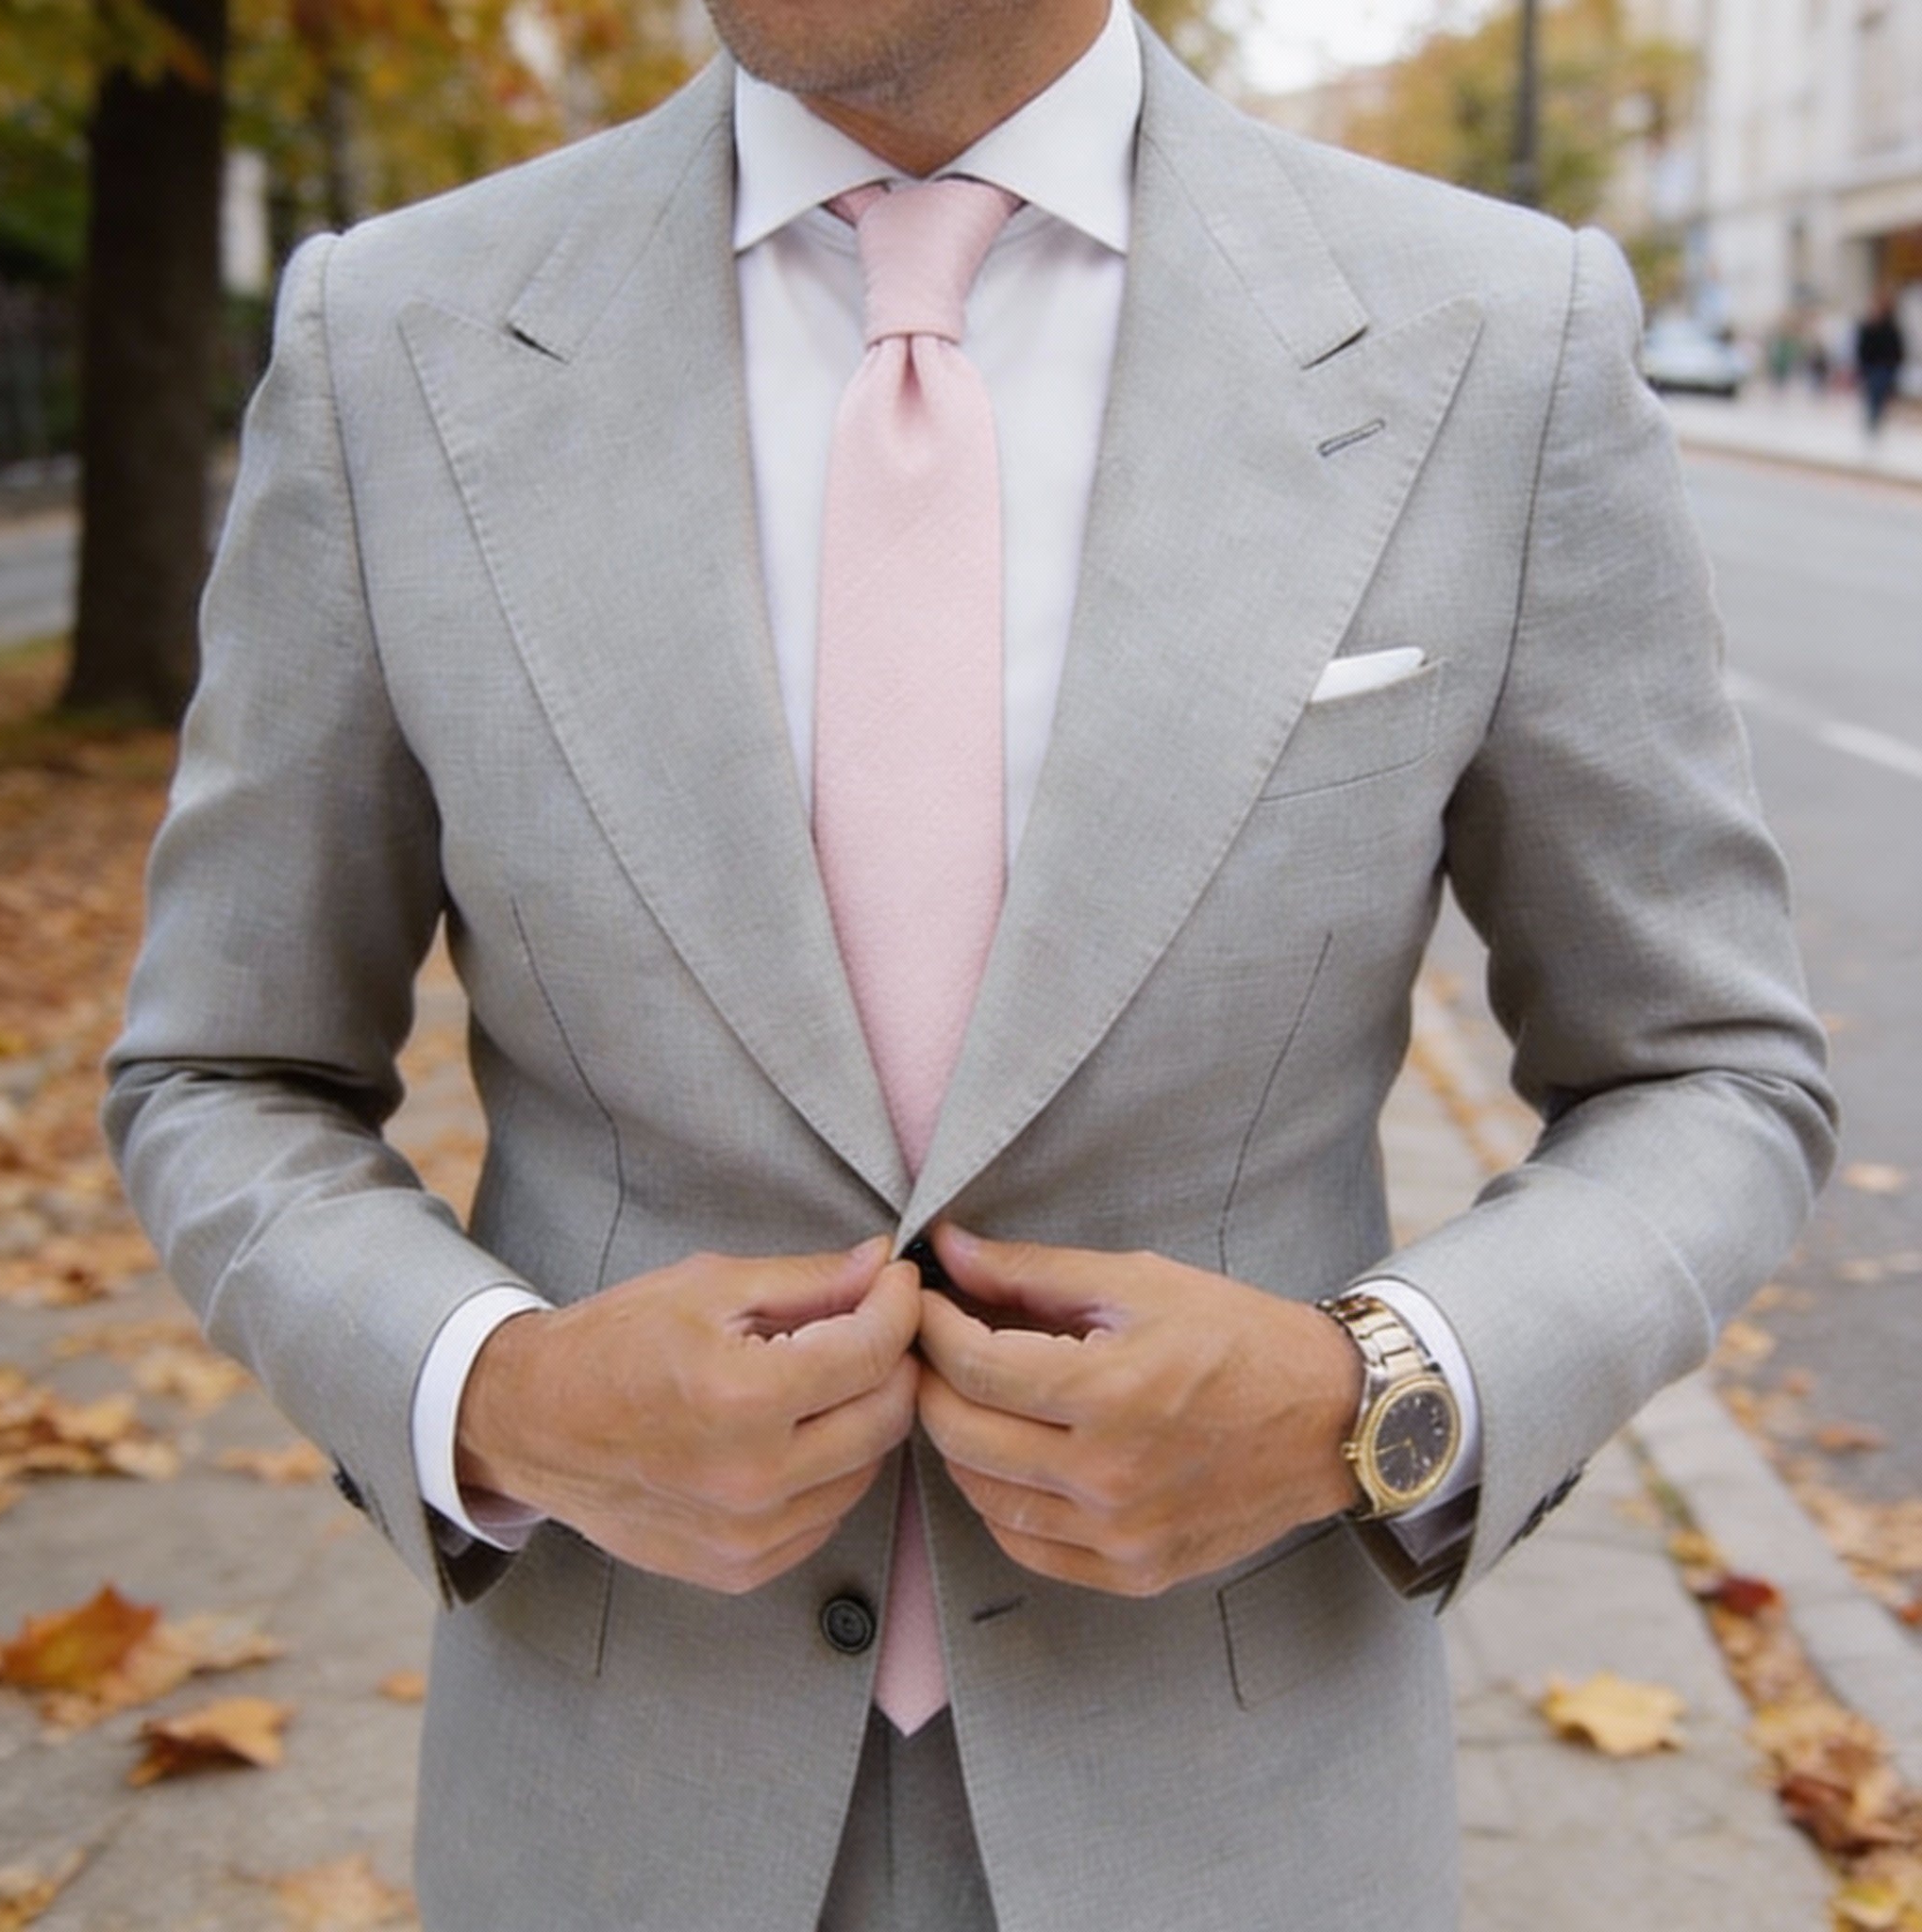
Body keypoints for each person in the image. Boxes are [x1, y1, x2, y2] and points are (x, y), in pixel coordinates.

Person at [105, 2, 1835, 1927]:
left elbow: (1707, 1070)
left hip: (1236, 1810)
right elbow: (223, 1066)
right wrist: (493, 1395)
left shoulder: (1496, 338)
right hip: (615, 1810)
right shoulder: (395, 341)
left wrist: (1375, 1397)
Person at [1857, 290, 1908, 436]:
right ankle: (1873, 424)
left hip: (1885, 367)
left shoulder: (1891, 327)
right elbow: (1863, 347)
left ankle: (1875, 423)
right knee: (1874, 395)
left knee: (1879, 395)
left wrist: (1895, 364)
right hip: (1873, 367)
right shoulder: (1869, 326)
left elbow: (1898, 348)